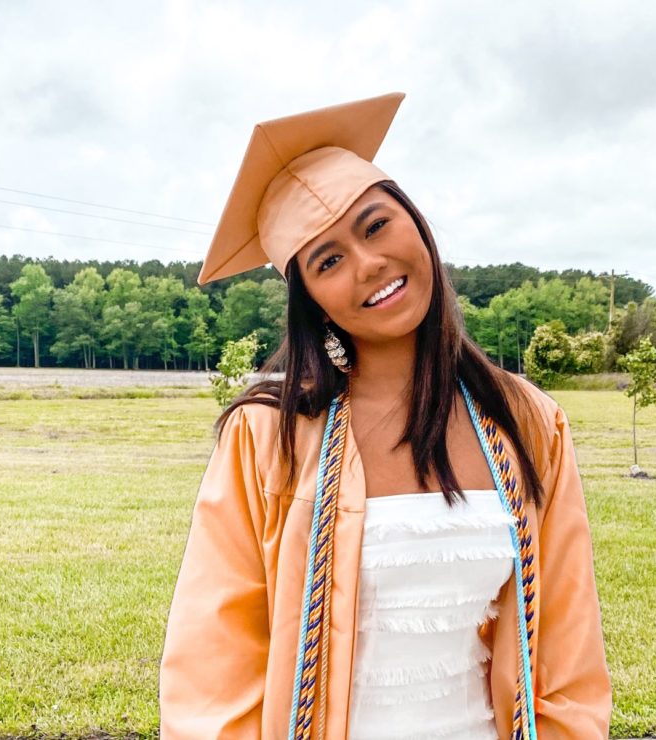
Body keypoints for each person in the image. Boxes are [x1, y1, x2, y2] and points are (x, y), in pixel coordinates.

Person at [159, 92, 612, 739]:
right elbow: (213, 674)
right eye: (328, 260)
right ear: (311, 300)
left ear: (416, 223)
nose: (369, 264)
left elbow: (567, 657)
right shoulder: (268, 437)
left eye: (375, 226)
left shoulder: (526, 421)